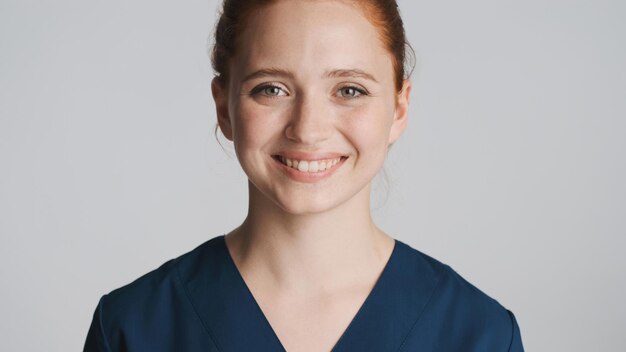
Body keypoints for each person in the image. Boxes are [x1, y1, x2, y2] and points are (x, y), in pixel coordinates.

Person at [84, 0, 524, 351]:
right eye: (271, 88)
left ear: (400, 107)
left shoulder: (479, 335)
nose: (308, 128)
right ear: (224, 108)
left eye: (349, 90)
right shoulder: (132, 329)